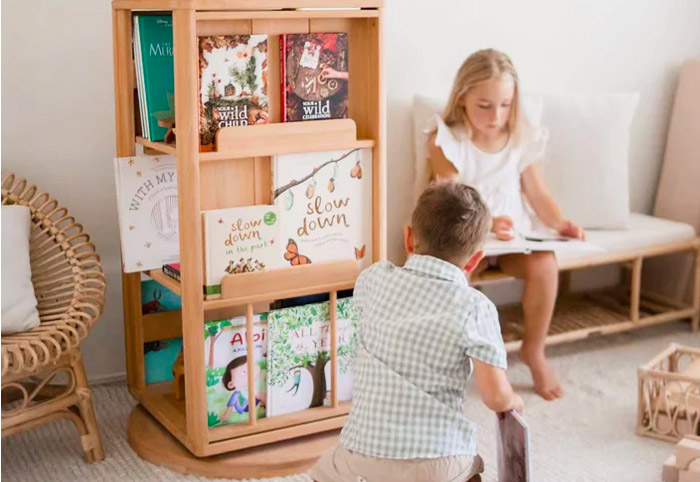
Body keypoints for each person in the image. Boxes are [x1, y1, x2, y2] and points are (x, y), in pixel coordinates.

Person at [309, 181, 523, 482]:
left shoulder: (373, 279)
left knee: (325, 470)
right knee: (470, 468)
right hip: (437, 462)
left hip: (362, 456)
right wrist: (512, 400)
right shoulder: (476, 307)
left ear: (408, 237)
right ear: (475, 260)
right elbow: (494, 396)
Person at [428, 48, 586, 400]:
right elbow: (450, 199)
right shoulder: (448, 139)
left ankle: (534, 349)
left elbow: (538, 194)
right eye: (484, 105)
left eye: (505, 105)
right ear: (462, 97)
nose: (496, 115)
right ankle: (450, 358)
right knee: (454, 277)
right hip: (466, 239)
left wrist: (561, 224)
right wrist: (484, 222)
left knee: (546, 264)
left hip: (513, 240)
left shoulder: (521, 139)